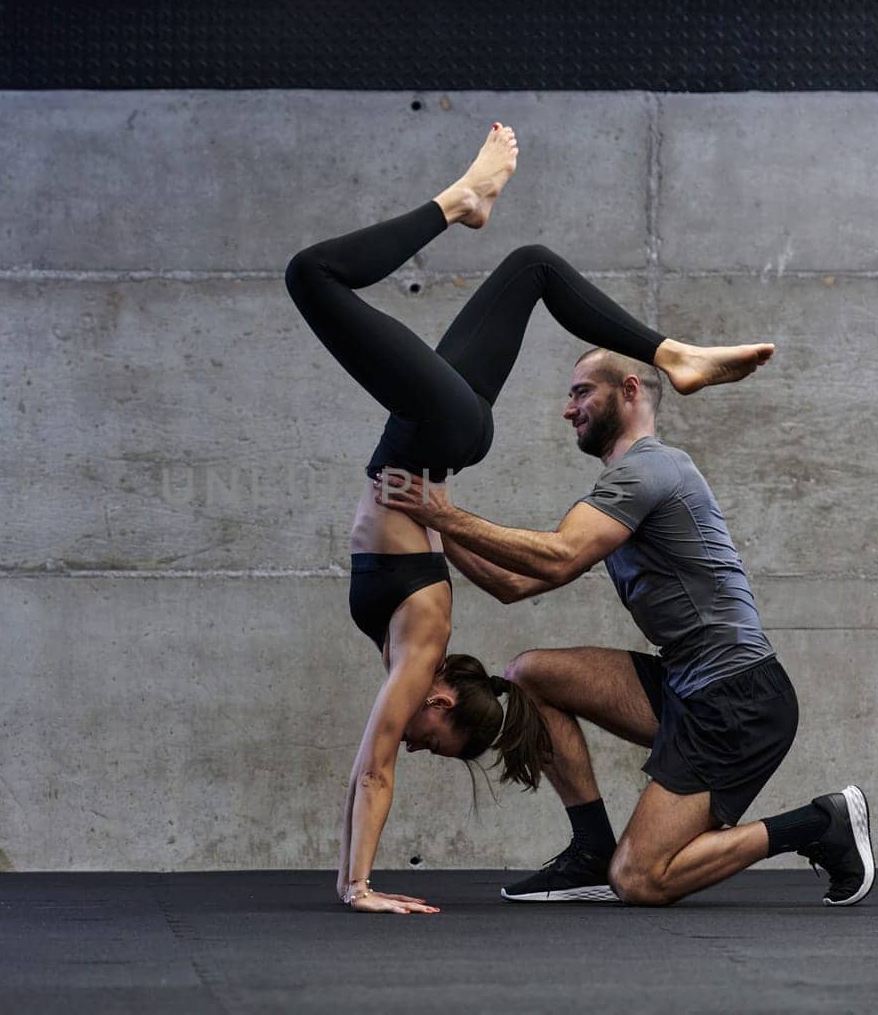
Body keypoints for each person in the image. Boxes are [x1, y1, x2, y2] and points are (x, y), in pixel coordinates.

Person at [284, 124, 776, 914]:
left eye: (424, 746)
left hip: (439, 430)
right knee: (328, 273)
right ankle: (651, 338)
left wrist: (445, 525)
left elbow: (377, 756)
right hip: (436, 431)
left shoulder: (411, 645)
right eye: (430, 736)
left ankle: (659, 343)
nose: (413, 738)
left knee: (523, 268)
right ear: (440, 700)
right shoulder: (419, 650)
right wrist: (357, 886)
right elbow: (375, 766)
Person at [377, 347, 874, 907]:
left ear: (630, 390)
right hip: (687, 683)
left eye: (582, 391)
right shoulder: (628, 485)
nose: (569, 409)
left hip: (738, 700)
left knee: (639, 878)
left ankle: (819, 823)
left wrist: (441, 514)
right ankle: (590, 851)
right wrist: (433, 533)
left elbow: (559, 555)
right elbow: (511, 585)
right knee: (531, 674)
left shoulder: (651, 470)